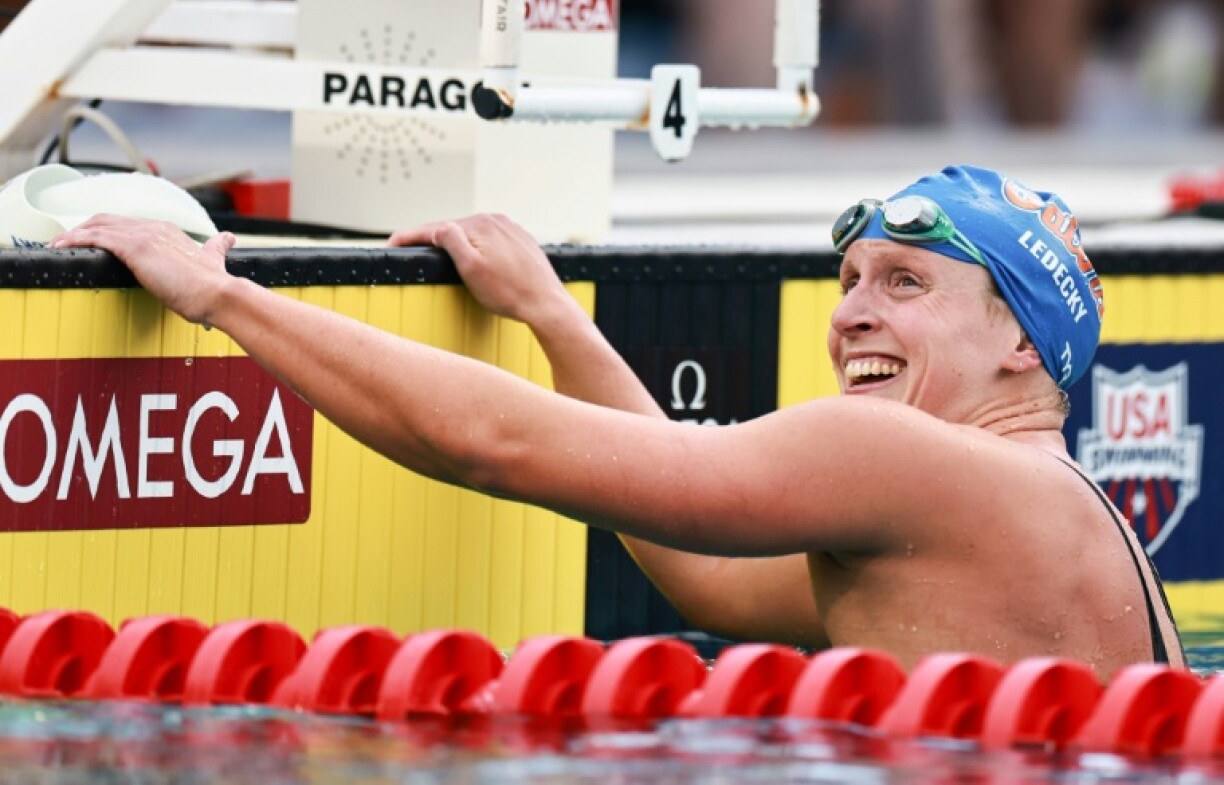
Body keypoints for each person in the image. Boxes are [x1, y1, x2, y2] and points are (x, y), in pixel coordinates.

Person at [50, 165, 1184, 678]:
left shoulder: (906, 463)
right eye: (848, 279)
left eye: (903, 284)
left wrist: (226, 297)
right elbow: (714, 581)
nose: (849, 316)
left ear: (1023, 343)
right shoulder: (1069, 523)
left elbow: (496, 445)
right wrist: (554, 316)